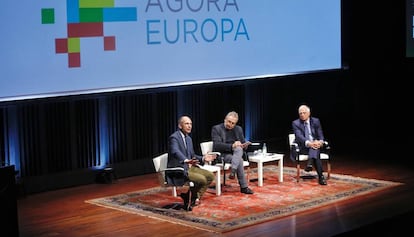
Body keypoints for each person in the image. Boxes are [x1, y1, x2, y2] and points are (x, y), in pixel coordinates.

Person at [168, 115, 217, 209]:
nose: (189, 126)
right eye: (187, 123)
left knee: (210, 176)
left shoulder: (189, 139)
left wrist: (203, 158)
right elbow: (175, 151)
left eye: (190, 124)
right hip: (179, 169)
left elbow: (192, 155)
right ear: (180, 126)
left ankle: (192, 197)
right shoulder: (174, 138)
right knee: (202, 179)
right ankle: (191, 198)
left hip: (190, 167)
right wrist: (186, 160)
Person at [211, 111, 254, 194]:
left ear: (235, 124)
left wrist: (245, 145)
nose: (230, 124)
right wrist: (232, 146)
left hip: (235, 154)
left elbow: (242, 143)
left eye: (232, 123)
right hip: (223, 155)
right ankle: (244, 187)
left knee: (239, 149)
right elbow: (217, 145)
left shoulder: (238, 129)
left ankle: (233, 171)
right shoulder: (216, 129)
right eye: (228, 121)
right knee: (239, 160)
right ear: (225, 120)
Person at [291, 104, 327, 185]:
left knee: (315, 148)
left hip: (315, 145)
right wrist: (309, 143)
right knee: (314, 149)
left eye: (304, 113)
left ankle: (310, 163)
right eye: (300, 113)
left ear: (309, 113)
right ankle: (321, 176)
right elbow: (299, 137)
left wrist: (320, 142)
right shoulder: (296, 123)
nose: (302, 115)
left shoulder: (316, 121)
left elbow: (320, 134)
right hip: (302, 146)